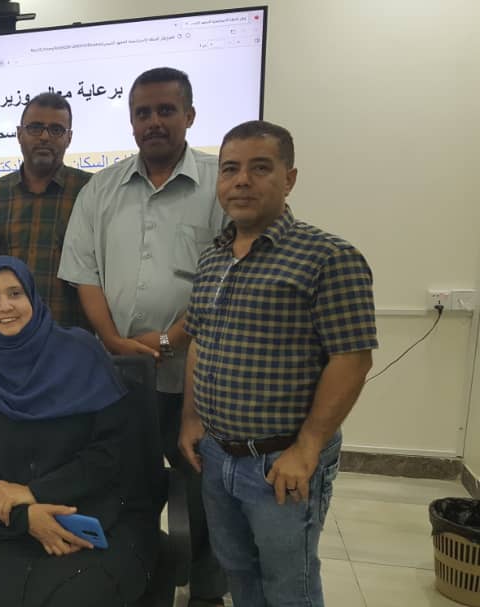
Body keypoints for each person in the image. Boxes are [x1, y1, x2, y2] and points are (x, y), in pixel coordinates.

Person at [179, 121, 377, 607]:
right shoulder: (213, 258)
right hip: (218, 456)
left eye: (260, 168)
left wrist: (307, 448)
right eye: (230, 169)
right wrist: (191, 418)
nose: (242, 181)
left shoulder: (329, 258)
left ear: (289, 179)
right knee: (238, 570)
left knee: (289, 584)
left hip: (280, 462)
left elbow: (352, 359)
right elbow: (199, 341)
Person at [57, 66, 227, 605]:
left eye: (165, 110)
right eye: (143, 113)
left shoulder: (221, 183)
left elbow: (229, 275)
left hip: (198, 378)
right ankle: (137, 574)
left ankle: (205, 589)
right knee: (123, 483)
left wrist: (173, 338)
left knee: (202, 486)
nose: (154, 122)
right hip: (117, 377)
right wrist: (113, 341)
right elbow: (84, 271)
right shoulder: (101, 188)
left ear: (189, 116)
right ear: (131, 122)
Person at [0, 256, 165, 607]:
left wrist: (34, 492)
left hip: (95, 522)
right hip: (6, 532)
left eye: (15, 293)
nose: (5, 306)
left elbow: (112, 454)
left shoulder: (82, 353)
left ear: (33, 297)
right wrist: (25, 517)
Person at [0, 92, 91, 329]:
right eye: (35, 128)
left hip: (71, 336)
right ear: (20, 134)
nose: (45, 137)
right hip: (8, 335)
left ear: (69, 138)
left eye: (56, 130)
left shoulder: (90, 191)